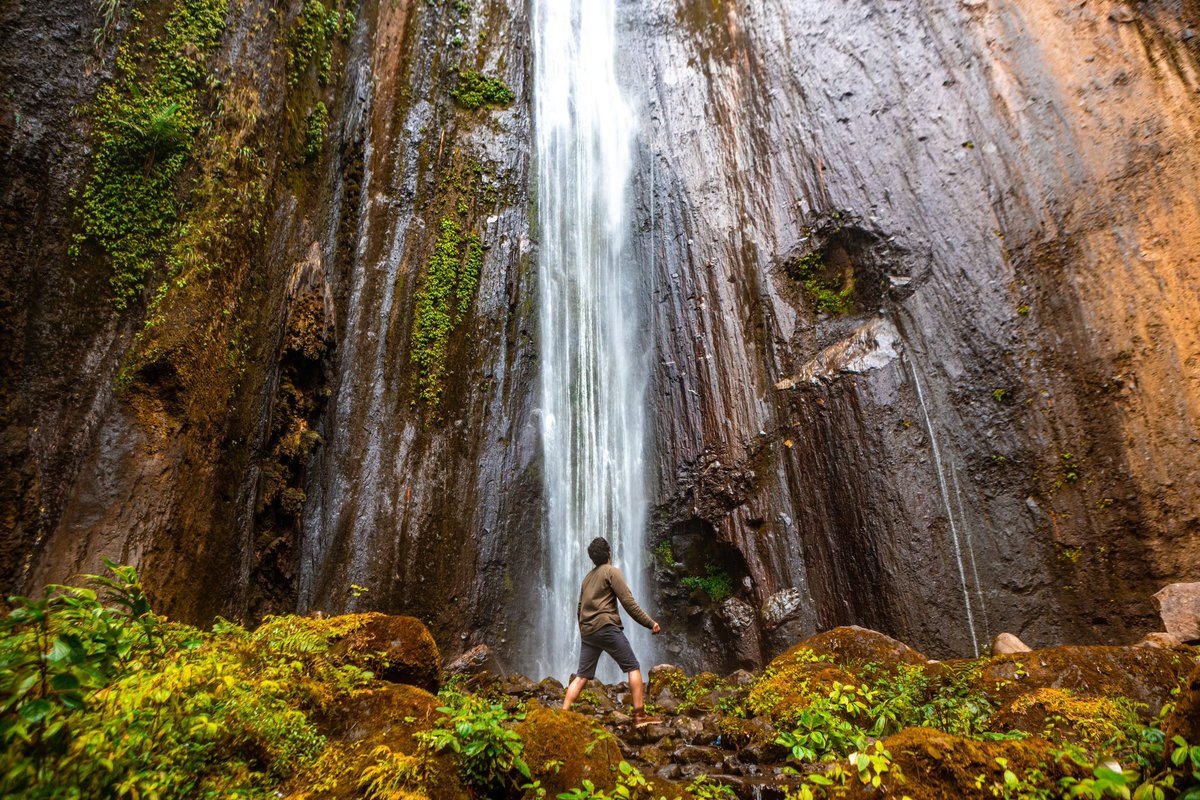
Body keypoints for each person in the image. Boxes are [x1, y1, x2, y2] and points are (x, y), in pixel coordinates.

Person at [562, 536, 663, 727]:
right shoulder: (611, 572)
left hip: (588, 632)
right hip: (606, 627)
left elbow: (579, 608)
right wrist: (650, 623)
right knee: (633, 666)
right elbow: (628, 603)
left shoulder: (587, 579)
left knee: (581, 676)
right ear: (609, 553)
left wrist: (585, 630)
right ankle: (640, 715)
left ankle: (562, 714)